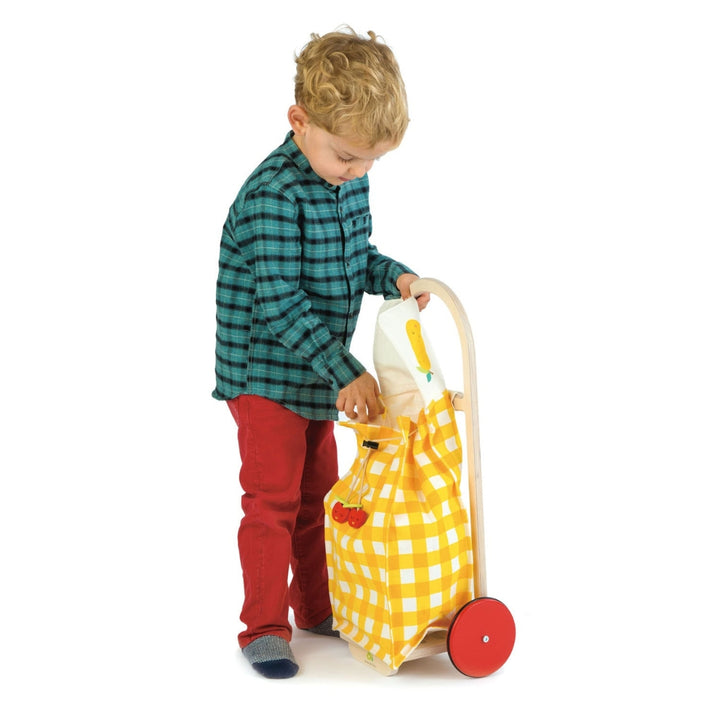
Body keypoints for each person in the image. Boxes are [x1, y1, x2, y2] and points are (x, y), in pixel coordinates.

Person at [213, 27, 428, 679]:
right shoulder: (271, 197)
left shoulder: (346, 177)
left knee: (320, 497)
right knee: (271, 501)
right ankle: (263, 626)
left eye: (369, 163)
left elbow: (352, 256)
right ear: (299, 121)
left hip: (316, 374)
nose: (357, 173)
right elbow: (280, 304)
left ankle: (317, 606)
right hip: (265, 375)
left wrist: (394, 274)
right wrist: (347, 372)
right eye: (346, 158)